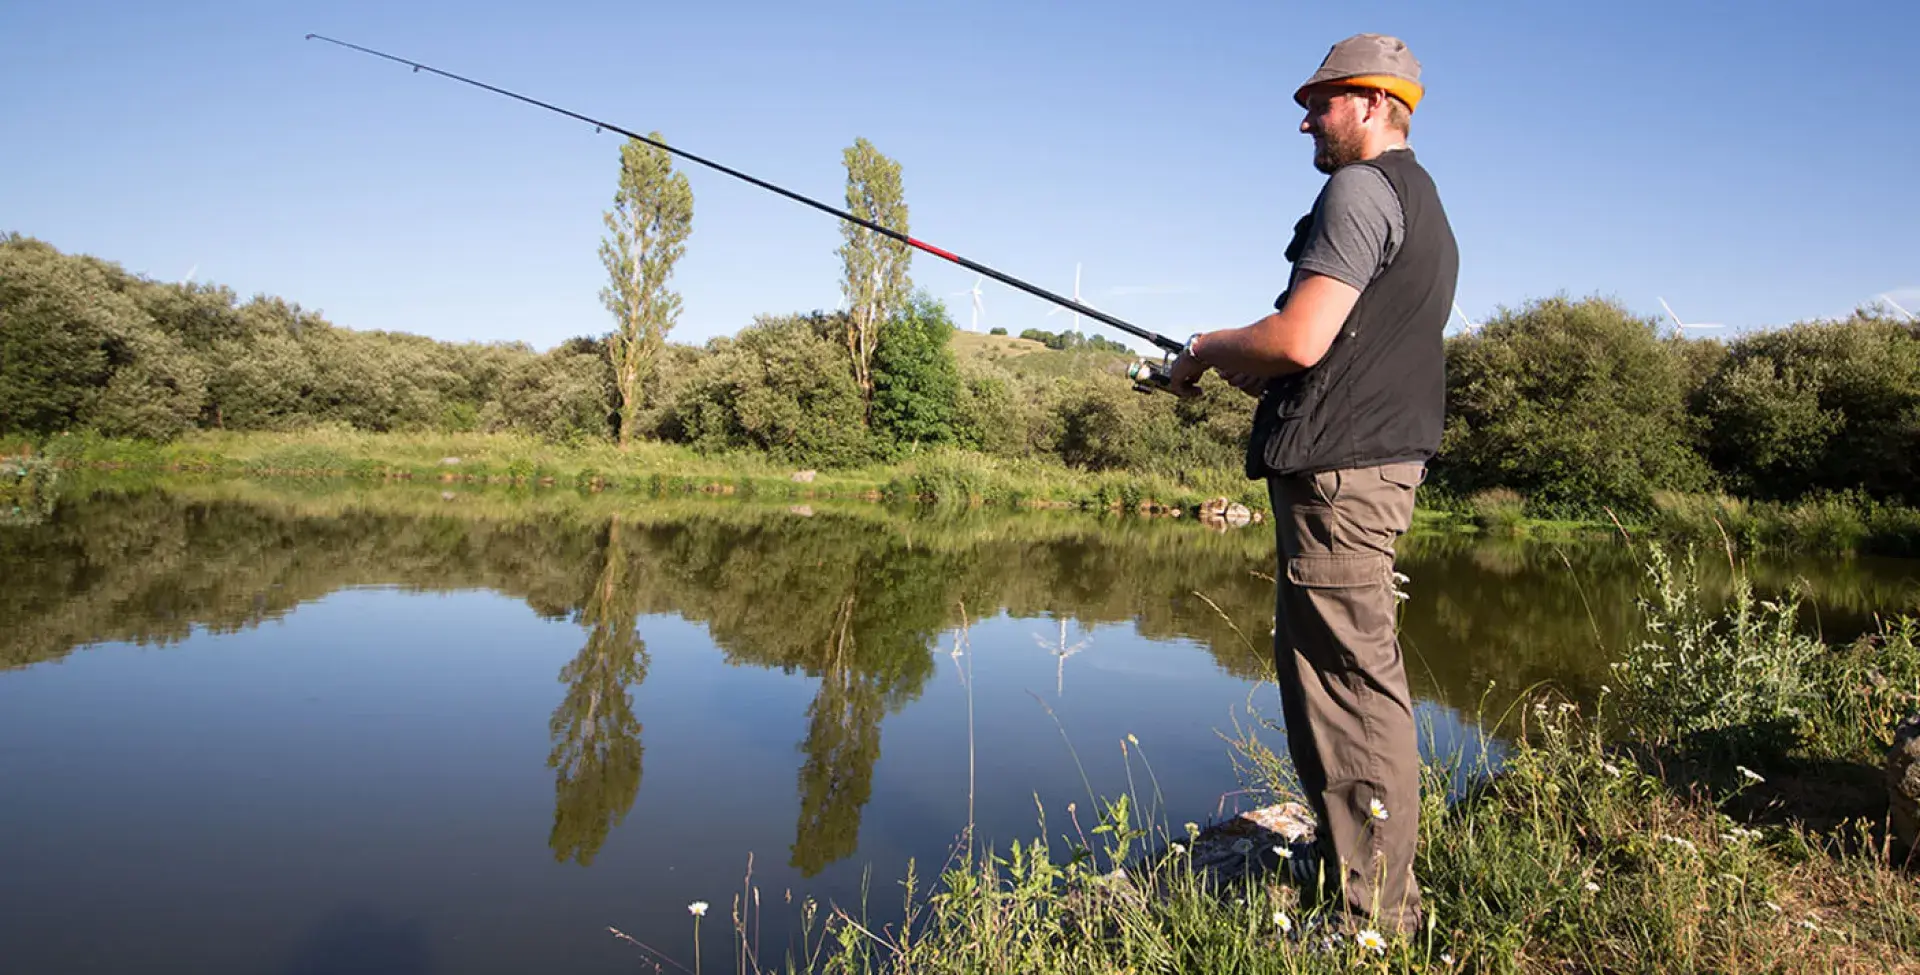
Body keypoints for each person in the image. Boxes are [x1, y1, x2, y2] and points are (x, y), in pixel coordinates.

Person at [1165, 32, 1458, 938]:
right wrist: (1272, 372)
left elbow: (1301, 337)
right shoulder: (1425, 203)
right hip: (1365, 471)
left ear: (1374, 103)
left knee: (1349, 689)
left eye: (1321, 101)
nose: (1305, 119)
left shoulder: (1359, 189)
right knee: (1334, 684)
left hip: (1343, 484)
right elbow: (1337, 351)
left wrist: (1211, 348)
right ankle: (1356, 878)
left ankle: (1377, 920)